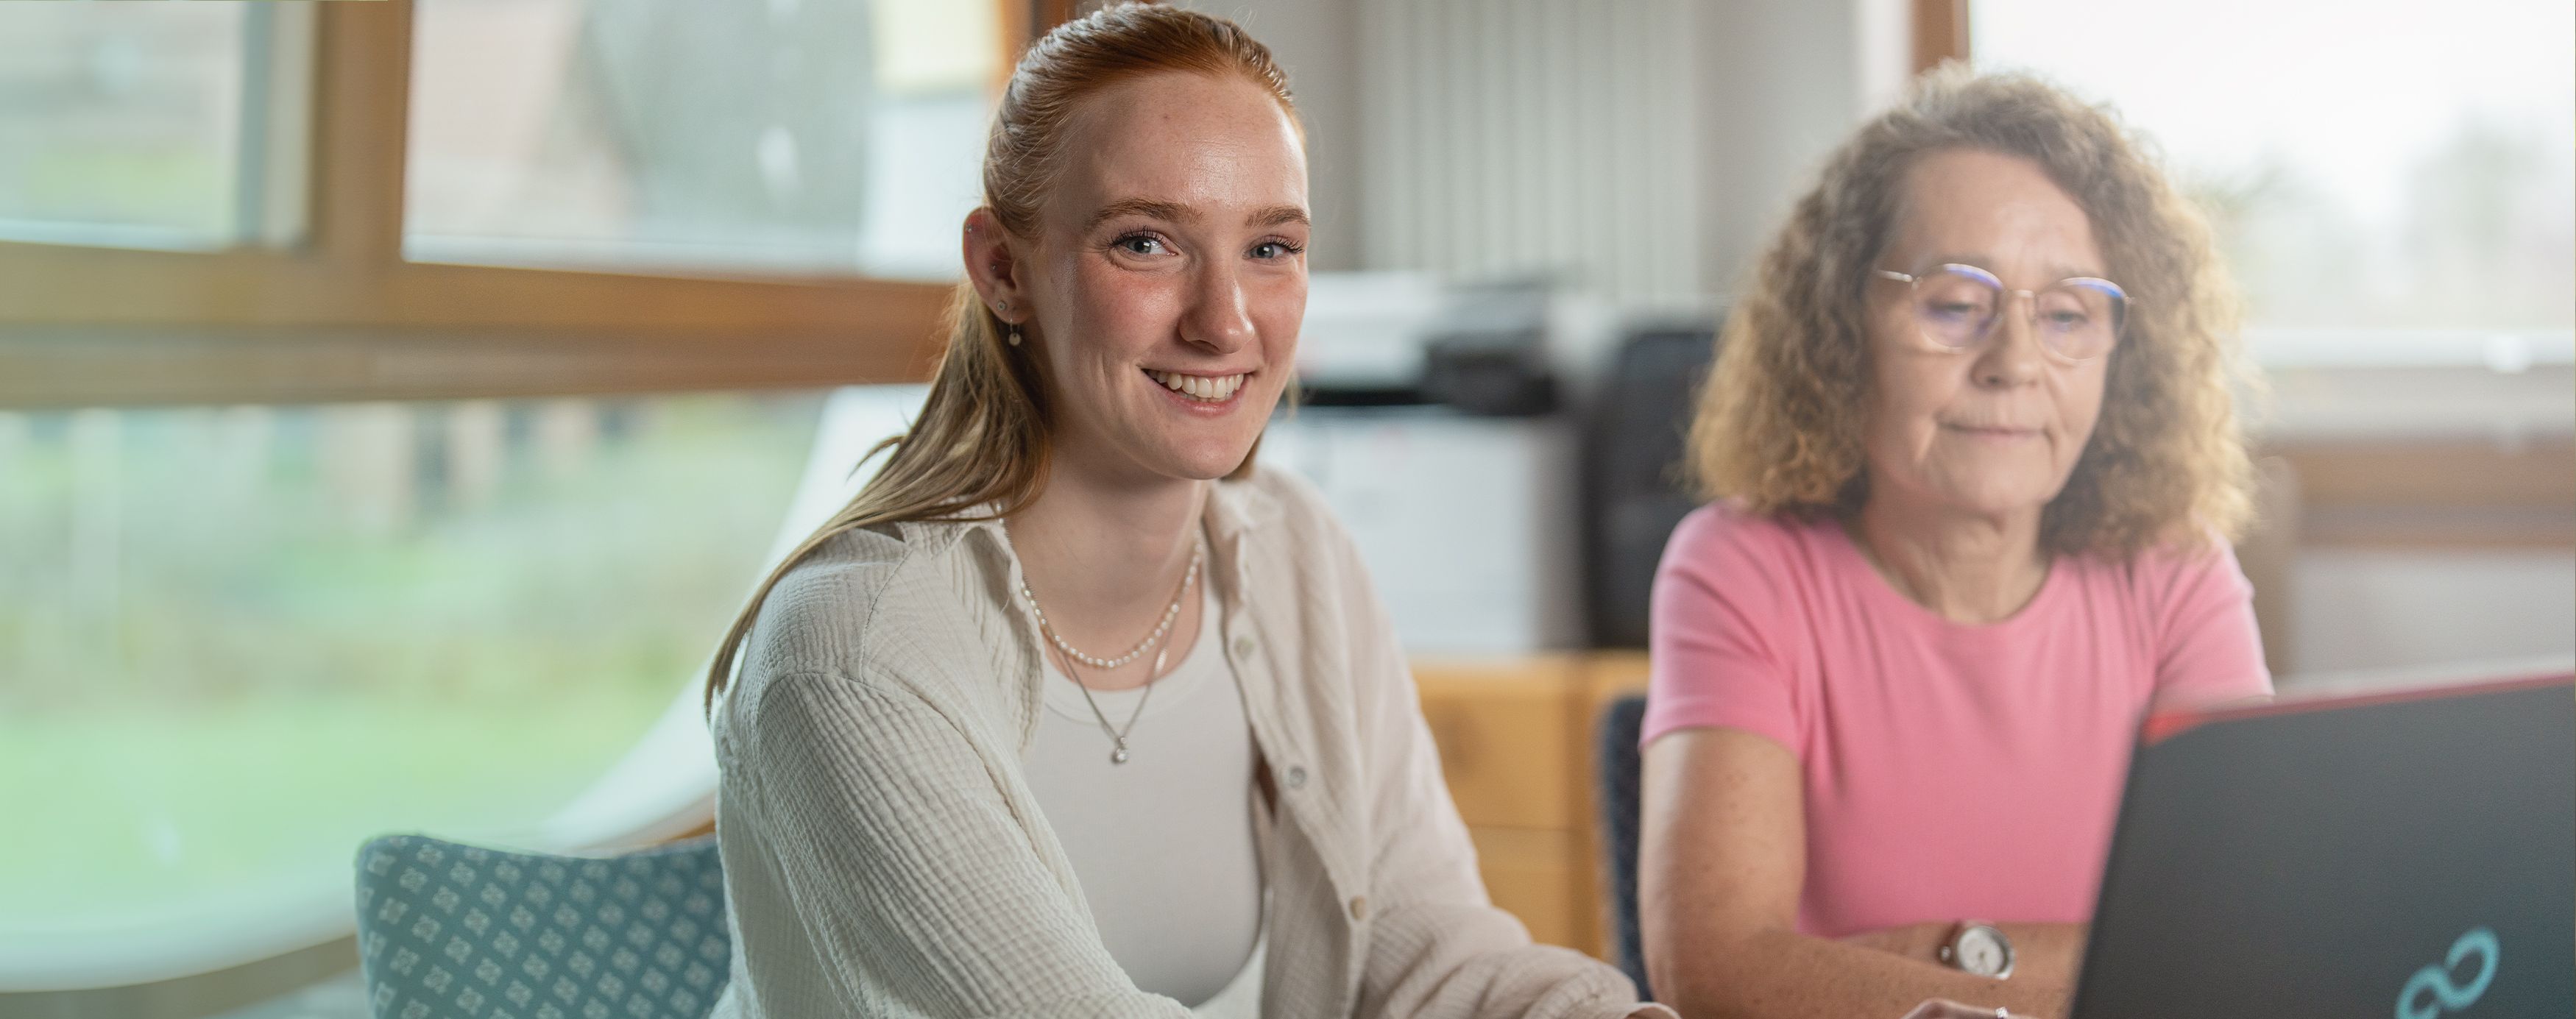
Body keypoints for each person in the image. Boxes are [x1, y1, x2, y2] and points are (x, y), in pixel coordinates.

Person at [698, 6, 1666, 1018]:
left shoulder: (1298, 554)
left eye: (1270, 247)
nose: (1224, 322)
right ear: (1004, 270)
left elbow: (1429, 953)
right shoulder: (854, 651)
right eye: (1147, 241)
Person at [1638, 69, 2271, 1019]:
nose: (2014, 362)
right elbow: (1722, 974)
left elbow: (2245, 949)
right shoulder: (1738, 567)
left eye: (2066, 314)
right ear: (1844, 326)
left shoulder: (2178, 573)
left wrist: (1939, 956)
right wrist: (2113, 969)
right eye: (1952, 303)